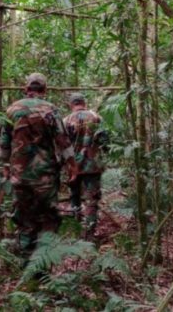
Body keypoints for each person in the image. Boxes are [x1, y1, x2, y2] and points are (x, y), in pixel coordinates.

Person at [0, 73, 78, 258]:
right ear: (44, 90)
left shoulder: (12, 110)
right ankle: (42, 264)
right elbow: (63, 140)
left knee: (25, 219)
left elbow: (4, 142)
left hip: (20, 176)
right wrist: (72, 164)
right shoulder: (50, 110)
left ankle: (27, 261)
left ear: (26, 89)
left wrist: (4, 166)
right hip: (45, 176)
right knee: (48, 218)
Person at [63, 93, 108, 240]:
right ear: (84, 103)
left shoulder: (66, 121)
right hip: (92, 165)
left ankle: (75, 230)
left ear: (71, 104)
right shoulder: (96, 118)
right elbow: (105, 140)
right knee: (91, 200)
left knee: (74, 196)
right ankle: (89, 234)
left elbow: (61, 144)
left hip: (72, 165)